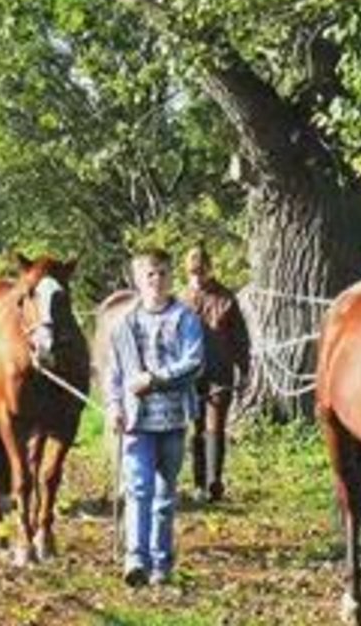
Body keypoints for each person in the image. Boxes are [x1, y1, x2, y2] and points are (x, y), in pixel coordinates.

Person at [104, 247, 205, 587]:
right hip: (136, 423)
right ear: (138, 279)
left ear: (170, 276)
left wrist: (155, 378)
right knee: (138, 489)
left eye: (162, 273)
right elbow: (114, 374)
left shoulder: (185, 318)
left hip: (174, 422)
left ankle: (162, 563)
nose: (157, 281)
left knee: (164, 497)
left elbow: (194, 363)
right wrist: (115, 406)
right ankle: (136, 560)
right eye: (150, 274)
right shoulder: (124, 325)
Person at [180, 244, 251, 504]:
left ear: (209, 270)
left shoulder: (226, 299)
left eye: (201, 272)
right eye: (193, 272)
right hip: (190, 375)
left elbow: (240, 338)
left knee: (215, 428)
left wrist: (244, 370)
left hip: (220, 372)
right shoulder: (181, 300)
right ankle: (198, 483)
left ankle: (214, 483)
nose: (197, 277)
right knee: (196, 428)